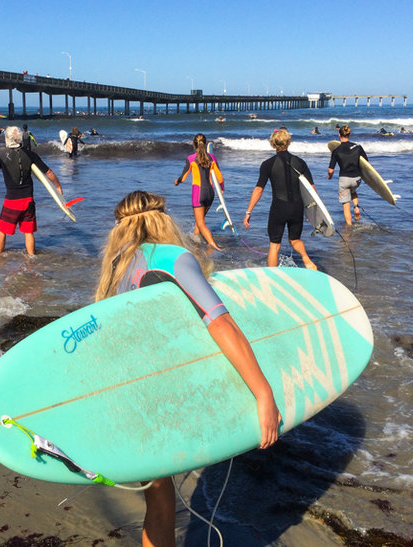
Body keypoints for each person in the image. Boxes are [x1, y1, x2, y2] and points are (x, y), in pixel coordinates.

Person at [95, 190, 281, 547]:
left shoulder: (119, 265)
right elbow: (220, 324)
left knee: (159, 497)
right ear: (163, 219)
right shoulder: (174, 258)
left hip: (128, 393)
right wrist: (263, 393)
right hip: (164, 395)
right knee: (162, 501)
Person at [243, 129, 317, 270]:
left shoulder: (267, 164)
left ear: (273, 143)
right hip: (297, 207)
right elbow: (311, 189)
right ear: (288, 142)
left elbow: (259, 189)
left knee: (274, 245)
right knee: (295, 240)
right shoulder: (300, 162)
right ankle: (306, 259)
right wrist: (312, 210)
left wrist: (248, 211)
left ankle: (273, 276)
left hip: (279, 208)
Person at [0, 126, 64, 255]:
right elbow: (48, 172)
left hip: (12, 201)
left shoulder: (1, 154)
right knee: (28, 232)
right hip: (28, 200)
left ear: (7, 138)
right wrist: (58, 186)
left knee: (2, 230)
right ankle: (31, 259)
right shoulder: (30, 154)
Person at [174, 133, 223, 251]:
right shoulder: (212, 157)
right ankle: (195, 241)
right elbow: (219, 177)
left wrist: (177, 181)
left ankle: (213, 245)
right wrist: (221, 190)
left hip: (198, 194)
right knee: (199, 221)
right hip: (210, 194)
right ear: (205, 144)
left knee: (201, 223)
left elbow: (183, 177)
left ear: (193, 144)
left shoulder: (191, 159)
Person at [328, 125, 368, 225]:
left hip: (344, 180)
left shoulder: (336, 151)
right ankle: (356, 208)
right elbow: (366, 163)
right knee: (353, 191)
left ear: (339, 134)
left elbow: (331, 170)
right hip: (356, 179)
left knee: (346, 204)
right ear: (349, 134)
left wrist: (330, 176)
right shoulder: (358, 147)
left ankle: (349, 228)